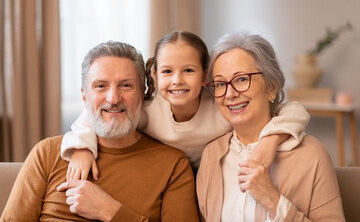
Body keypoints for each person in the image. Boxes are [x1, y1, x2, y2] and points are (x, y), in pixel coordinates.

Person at [61, 31, 310, 181]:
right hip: (169, 177)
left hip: (215, 176)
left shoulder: (221, 108)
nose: (177, 80)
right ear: (156, 77)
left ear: (204, 76)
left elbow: (294, 110)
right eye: (168, 71)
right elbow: (100, 112)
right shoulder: (148, 113)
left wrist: (270, 141)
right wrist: (82, 148)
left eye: (188, 70)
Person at [1, 41, 200, 221]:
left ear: (141, 94)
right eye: (101, 86)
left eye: (126, 85)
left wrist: (110, 211)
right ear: (84, 96)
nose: (113, 98)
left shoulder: (173, 166)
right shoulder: (47, 153)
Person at [196, 32, 345, 221]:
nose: (229, 93)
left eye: (241, 79)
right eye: (219, 83)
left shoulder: (312, 155)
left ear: (272, 87)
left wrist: (273, 200)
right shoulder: (212, 155)